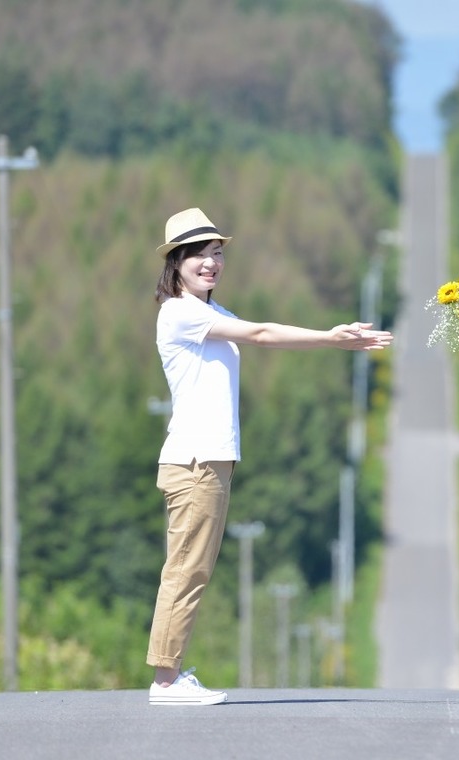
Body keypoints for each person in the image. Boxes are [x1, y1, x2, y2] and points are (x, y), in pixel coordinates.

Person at [146, 207, 392, 706]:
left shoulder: (212, 313)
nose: (211, 263)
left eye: (217, 254)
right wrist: (330, 338)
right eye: (199, 255)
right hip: (195, 461)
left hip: (209, 460)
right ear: (176, 262)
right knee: (186, 569)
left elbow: (269, 334)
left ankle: (170, 676)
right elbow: (259, 335)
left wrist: (331, 339)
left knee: (193, 568)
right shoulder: (180, 312)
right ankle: (166, 682)